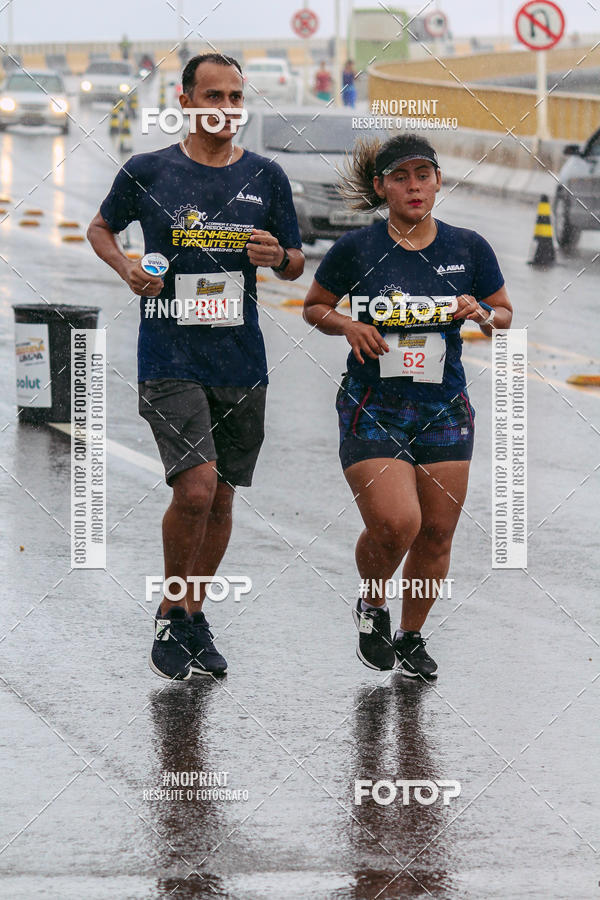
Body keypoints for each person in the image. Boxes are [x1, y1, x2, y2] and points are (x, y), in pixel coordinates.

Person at [88, 53, 304, 681]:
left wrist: (277, 257)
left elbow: (294, 261)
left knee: (224, 496)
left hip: (240, 357)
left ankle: (192, 613)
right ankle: (171, 609)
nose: (225, 108)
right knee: (196, 488)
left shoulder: (267, 177)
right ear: (185, 100)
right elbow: (102, 229)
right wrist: (127, 267)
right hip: (169, 355)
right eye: (213, 95)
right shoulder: (149, 170)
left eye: (235, 97)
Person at [303, 134, 512, 677]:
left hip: (445, 406)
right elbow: (315, 307)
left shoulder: (468, 248)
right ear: (382, 187)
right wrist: (349, 325)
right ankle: (373, 604)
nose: (414, 186)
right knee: (399, 522)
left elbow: (504, 314)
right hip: (374, 403)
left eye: (424, 175)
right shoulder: (358, 249)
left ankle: (412, 635)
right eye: (401, 177)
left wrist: (481, 314)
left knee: (438, 532)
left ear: (438, 180)